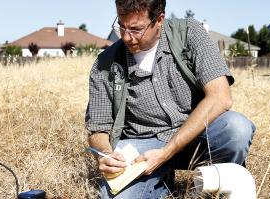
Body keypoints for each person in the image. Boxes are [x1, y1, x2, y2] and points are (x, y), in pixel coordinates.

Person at [85, 0, 256, 198]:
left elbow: (221, 97)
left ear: (159, 20)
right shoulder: (104, 63)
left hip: (195, 134)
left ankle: (208, 186)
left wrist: (166, 153)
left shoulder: (190, 33)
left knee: (236, 128)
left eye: (136, 29)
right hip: (143, 147)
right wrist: (106, 155)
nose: (126, 37)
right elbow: (98, 128)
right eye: (121, 27)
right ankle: (161, 182)